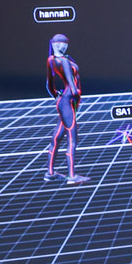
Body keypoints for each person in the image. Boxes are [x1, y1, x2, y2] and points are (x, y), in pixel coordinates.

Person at [43, 32, 86, 184]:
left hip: (62, 101)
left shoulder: (51, 60)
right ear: (59, 44)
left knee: (57, 137)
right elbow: (73, 87)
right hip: (69, 102)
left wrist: (57, 96)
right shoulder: (64, 61)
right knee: (72, 138)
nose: (65, 45)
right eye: (64, 43)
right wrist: (76, 94)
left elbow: (49, 84)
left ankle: (50, 173)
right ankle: (72, 176)